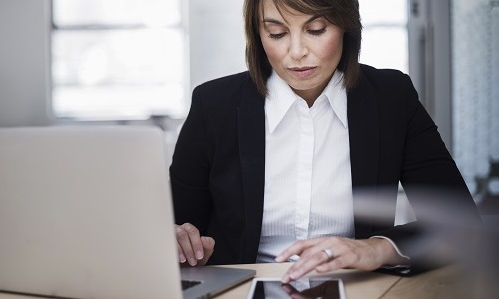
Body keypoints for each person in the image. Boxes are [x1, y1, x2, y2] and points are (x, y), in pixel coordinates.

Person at [170, 0, 480, 283]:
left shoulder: (391, 98)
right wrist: (178, 238)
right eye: (276, 33)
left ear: (347, 25)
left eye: (316, 30)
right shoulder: (213, 105)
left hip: (355, 286)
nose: (297, 52)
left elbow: (460, 224)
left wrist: (377, 249)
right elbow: (174, 226)